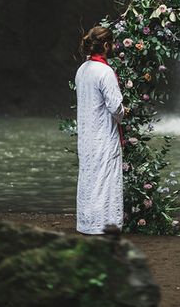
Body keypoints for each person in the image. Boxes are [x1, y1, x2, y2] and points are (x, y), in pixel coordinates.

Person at [75, 25, 125, 235]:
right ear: (106, 45)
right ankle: (105, 225)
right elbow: (115, 108)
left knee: (89, 178)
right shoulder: (104, 72)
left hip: (87, 134)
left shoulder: (82, 70)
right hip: (103, 134)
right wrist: (124, 110)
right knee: (105, 180)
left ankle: (87, 223)